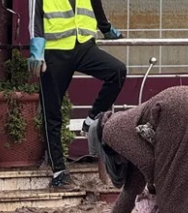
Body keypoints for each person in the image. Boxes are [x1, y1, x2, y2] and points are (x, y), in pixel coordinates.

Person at [28, 0, 127, 190]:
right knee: (52, 113)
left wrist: (106, 29)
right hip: (55, 52)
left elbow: (95, 5)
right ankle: (58, 172)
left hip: (84, 47)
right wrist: (37, 52)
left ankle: (90, 121)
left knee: (117, 71)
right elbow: (35, 20)